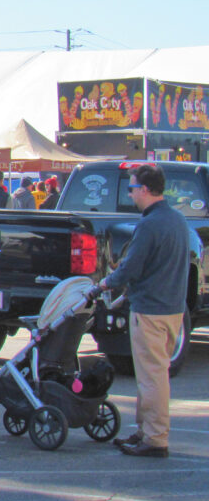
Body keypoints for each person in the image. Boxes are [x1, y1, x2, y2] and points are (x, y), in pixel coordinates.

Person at [85, 164, 188, 458]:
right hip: (171, 310)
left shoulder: (149, 224)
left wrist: (104, 283)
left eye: (131, 188)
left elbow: (132, 267)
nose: (130, 193)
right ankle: (145, 431)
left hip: (150, 311)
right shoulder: (177, 219)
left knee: (152, 377)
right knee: (153, 373)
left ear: (144, 189)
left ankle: (155, 439)